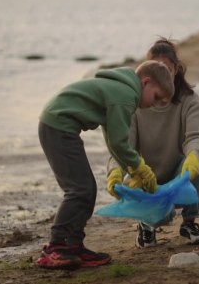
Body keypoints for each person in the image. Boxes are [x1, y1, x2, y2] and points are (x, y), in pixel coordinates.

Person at [36, 61, 174, 270]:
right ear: (146, 82)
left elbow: (113, 141)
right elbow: (119, 143)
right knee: (79, 189)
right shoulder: (126, 97)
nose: (155, 104)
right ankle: (56, 248)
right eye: (156, 97)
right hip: (58, 127)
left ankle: (72, 245)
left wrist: (130, 169)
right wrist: (140, 168)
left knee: (85, 189)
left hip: (58, 125)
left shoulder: (120, 89)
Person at [107, 38, 199, 248]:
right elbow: (121, 145)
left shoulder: (189, 99)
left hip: (178, 173)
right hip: (144, 175)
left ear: (176, 69)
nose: (163, 72)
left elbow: (195, 138)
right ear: (146, 73)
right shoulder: (134, 104)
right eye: (157, 67)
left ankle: (189, 222)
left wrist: (193, 157)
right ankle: (146, 225)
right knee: (153, 210)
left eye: (168, 68)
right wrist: (114, 172)